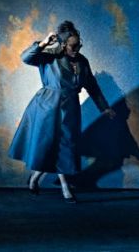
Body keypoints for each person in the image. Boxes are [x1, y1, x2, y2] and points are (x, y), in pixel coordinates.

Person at [8, 20, 116, 203]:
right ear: (64, 44)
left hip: (70, 108)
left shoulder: (82, 61)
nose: (77, 49)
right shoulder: (50, 56)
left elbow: (92, 86)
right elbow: (26, 57)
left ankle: (35, 178)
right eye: (74, 46)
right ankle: (65, 187)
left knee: (65, 147)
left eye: (79, 45)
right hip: (47, 107)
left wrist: (104, 108)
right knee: (48, 146)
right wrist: (43, 43)